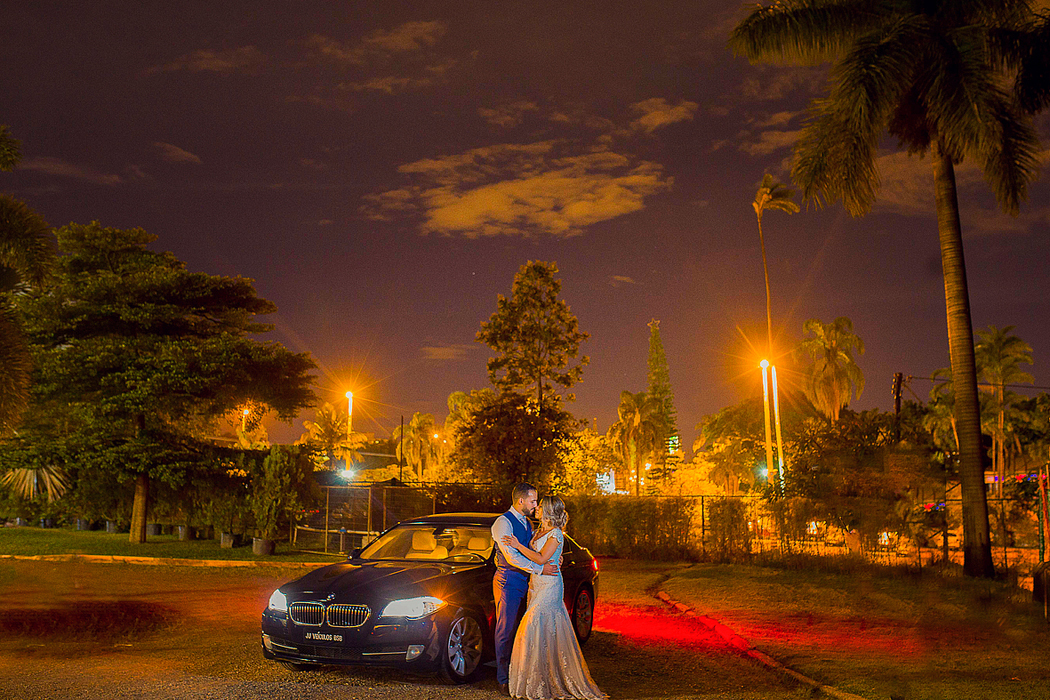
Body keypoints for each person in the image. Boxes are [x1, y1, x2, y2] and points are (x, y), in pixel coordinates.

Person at [501, 496, 604, 700]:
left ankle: (543, 680)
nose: (536, 508)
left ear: (548, 510)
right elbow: (544, 556)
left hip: (549, 585)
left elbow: (540, 558)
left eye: (540, 506)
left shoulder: (556, 533)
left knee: (534, 624)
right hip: (536, 583)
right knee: (542, 630)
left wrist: (517, 545)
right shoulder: (538, 529)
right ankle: (539, 677)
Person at [491, 483, 559, 696]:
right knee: (506, 629)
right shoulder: (502, 523)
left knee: (525, 631)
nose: (535, 505)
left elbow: (536, 549)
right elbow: (511, 556)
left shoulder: (528, 523)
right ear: (520, 501)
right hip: (508, 581)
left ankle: (521, 672)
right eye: (532, 501)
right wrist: (540, 568)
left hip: (529, 583)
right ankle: (503, 678)